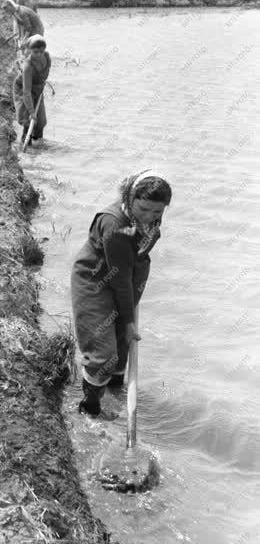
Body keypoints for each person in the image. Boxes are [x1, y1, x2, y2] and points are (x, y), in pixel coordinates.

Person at [70, 170, 172, 416]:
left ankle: (115, 397)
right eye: (144, 209)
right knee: (103, 353)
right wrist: (127, 320)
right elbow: (119, 278)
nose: (150, 217)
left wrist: (125, 321)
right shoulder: (114, 225)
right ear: (129, 197)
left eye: (157, 212)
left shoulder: (147, 219)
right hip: (96, 281)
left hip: (128, 277)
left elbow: (133, 263)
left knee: (121, 347)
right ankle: (90, 409)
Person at [13, 35, 51, 146]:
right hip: (23, 89)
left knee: (41, 122)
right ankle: (25, 146)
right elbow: (26, 92)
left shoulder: (47, 57)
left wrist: (40, 86)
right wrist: (31, 111)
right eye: (35, 52)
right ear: (30, 51)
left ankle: (38, 148)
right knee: (28, 121)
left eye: (41, 51)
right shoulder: (28, 67)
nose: (39, 55)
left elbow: (44, 74)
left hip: (37, 88)